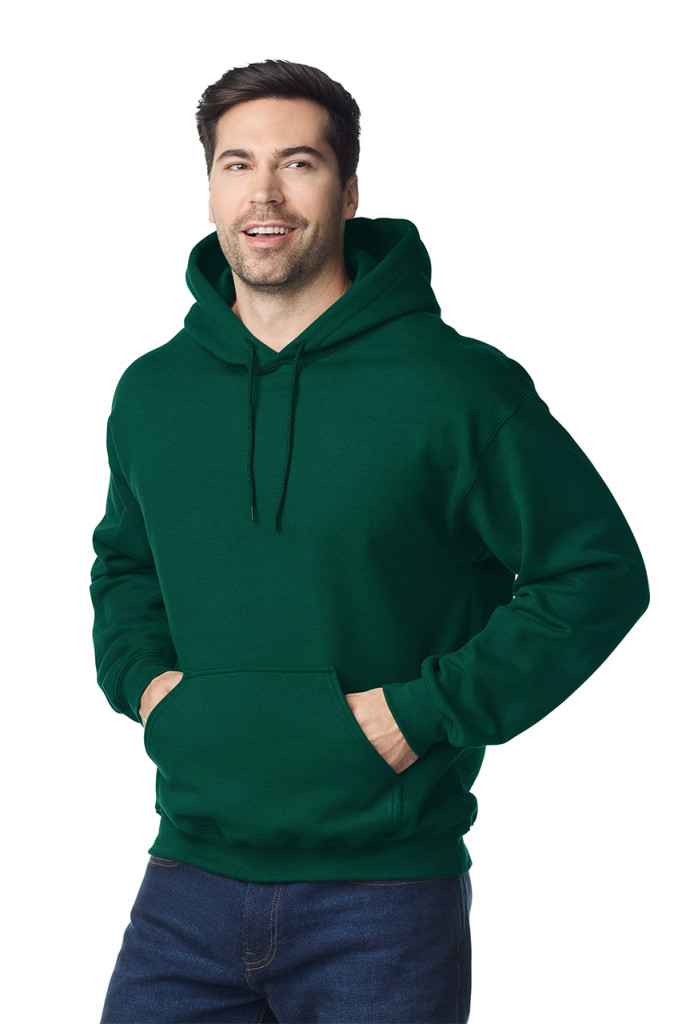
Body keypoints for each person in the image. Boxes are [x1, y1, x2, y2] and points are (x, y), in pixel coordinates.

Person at [90, 58, 649, 1024]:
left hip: (382, 900)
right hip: (184, 883)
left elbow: (595, 573)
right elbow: (125, 567)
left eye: (298, 163)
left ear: (349, 190)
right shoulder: (153, 392)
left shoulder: (456, 387)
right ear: (210, 187)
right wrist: (148, 690)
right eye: (237, 164)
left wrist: (422, 713)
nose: (264, 195)